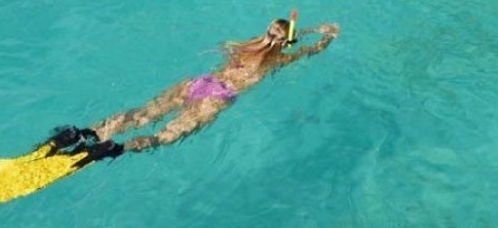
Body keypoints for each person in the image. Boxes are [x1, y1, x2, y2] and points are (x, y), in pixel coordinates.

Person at [49, 17, 339, 164]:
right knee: (166, 135)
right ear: (285, 42)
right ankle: (116, 148)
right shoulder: (277, 60)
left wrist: (290, 33)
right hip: (217, 97)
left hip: (199, 83)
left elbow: (276, 36)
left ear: (267, 30)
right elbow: (311, 50)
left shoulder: (244, 45)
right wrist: (324, 34)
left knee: (140, 114)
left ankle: (85, 133)